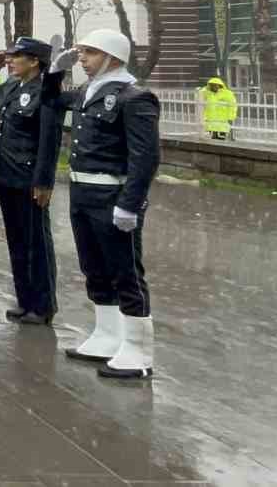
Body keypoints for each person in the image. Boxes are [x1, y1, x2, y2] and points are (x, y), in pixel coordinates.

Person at [42, 29, 161, 380]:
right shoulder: (87, 92)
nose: (83, 58)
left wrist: (130, 205)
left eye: (90, 53)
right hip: (83, 193)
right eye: (82, 52)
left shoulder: (133, 96)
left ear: (113, 56)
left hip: (113, 197)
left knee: (125, 271)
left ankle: (138, 351)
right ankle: (108, 336)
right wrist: (54, 72)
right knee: (94, 268)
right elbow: (51, 100)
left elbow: (146, 158)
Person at [0, 38, 62, 325]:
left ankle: (43, 305)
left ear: (34, 61)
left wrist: (44, 182)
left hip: (29, 179)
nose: (10, 61)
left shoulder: (45, 91)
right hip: (6, 175)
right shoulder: (14, 86)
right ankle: (25, 300)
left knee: (36, 242)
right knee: (16, 240)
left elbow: (49, 141)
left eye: (16, 57)